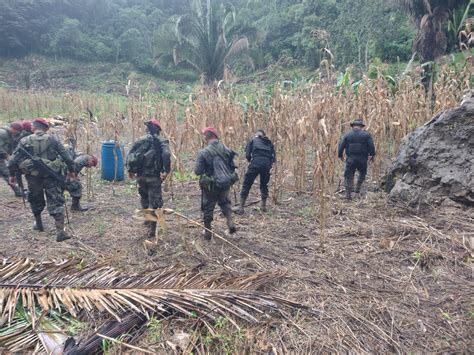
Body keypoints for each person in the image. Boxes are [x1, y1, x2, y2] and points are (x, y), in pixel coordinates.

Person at [8, 118, 77, 242]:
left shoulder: (25, 140)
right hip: (52, 176)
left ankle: (39, 224)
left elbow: (13, 161)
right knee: (56, 200)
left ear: (33, 128)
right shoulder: (53, 139)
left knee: (35, 199)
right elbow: (66, 157)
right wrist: (72, 171)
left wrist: (12, 175)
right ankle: (60, 231)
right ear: (46, 129)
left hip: (33, 177)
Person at [126, 119, 171, 238]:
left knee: (144, 197)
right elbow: (166, 154)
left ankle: (147, 219)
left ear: (147, 129)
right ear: (158, 130)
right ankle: (152, 229)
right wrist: (166, 170)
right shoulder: (161, 141)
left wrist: (130, 171)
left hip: (140, 176)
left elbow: (130, 154)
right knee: (154, 202)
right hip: (154, 177)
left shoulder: (140, 140)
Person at [194, 127, 238, 240]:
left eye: (204, 135)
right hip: (225, 183)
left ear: (206, 137)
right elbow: (232, 167)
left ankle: (208, 233)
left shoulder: (203, 152)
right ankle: (230, 223)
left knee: (208, 207)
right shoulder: (227, 150)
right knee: (225, 203)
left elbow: (197, 171)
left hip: (211, 186)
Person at [238, 129, 276, 214]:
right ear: (264, 135)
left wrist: (251, 161)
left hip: (255, 163)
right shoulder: (270, 143)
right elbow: (274, 158)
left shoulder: (252, 140)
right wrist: (268, 163)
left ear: (256, 135)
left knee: (247, 184)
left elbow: (247, 155)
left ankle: (241, 208)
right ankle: (263, 206)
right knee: (264, 184)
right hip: (266, 165)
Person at [338, 119, 376, 200]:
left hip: (350, 159)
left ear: (353, 126)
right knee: (362, 173)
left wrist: (340, 155)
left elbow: (341, 146)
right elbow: (371, 146)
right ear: (361, 127)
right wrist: (372, 155)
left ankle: (348, 194)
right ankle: (357, 191)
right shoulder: (366, 135)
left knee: (349, 175)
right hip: (362, 159)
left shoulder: (347, 135)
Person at [0, 122, 24, 197]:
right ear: (13, 129)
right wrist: (6, 155)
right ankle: (19, 192)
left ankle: (19, 191)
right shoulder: (3, 133)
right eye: (17, 131)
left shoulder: (9, 134)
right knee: (7, 173)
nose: (18, 133)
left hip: (2, 157)